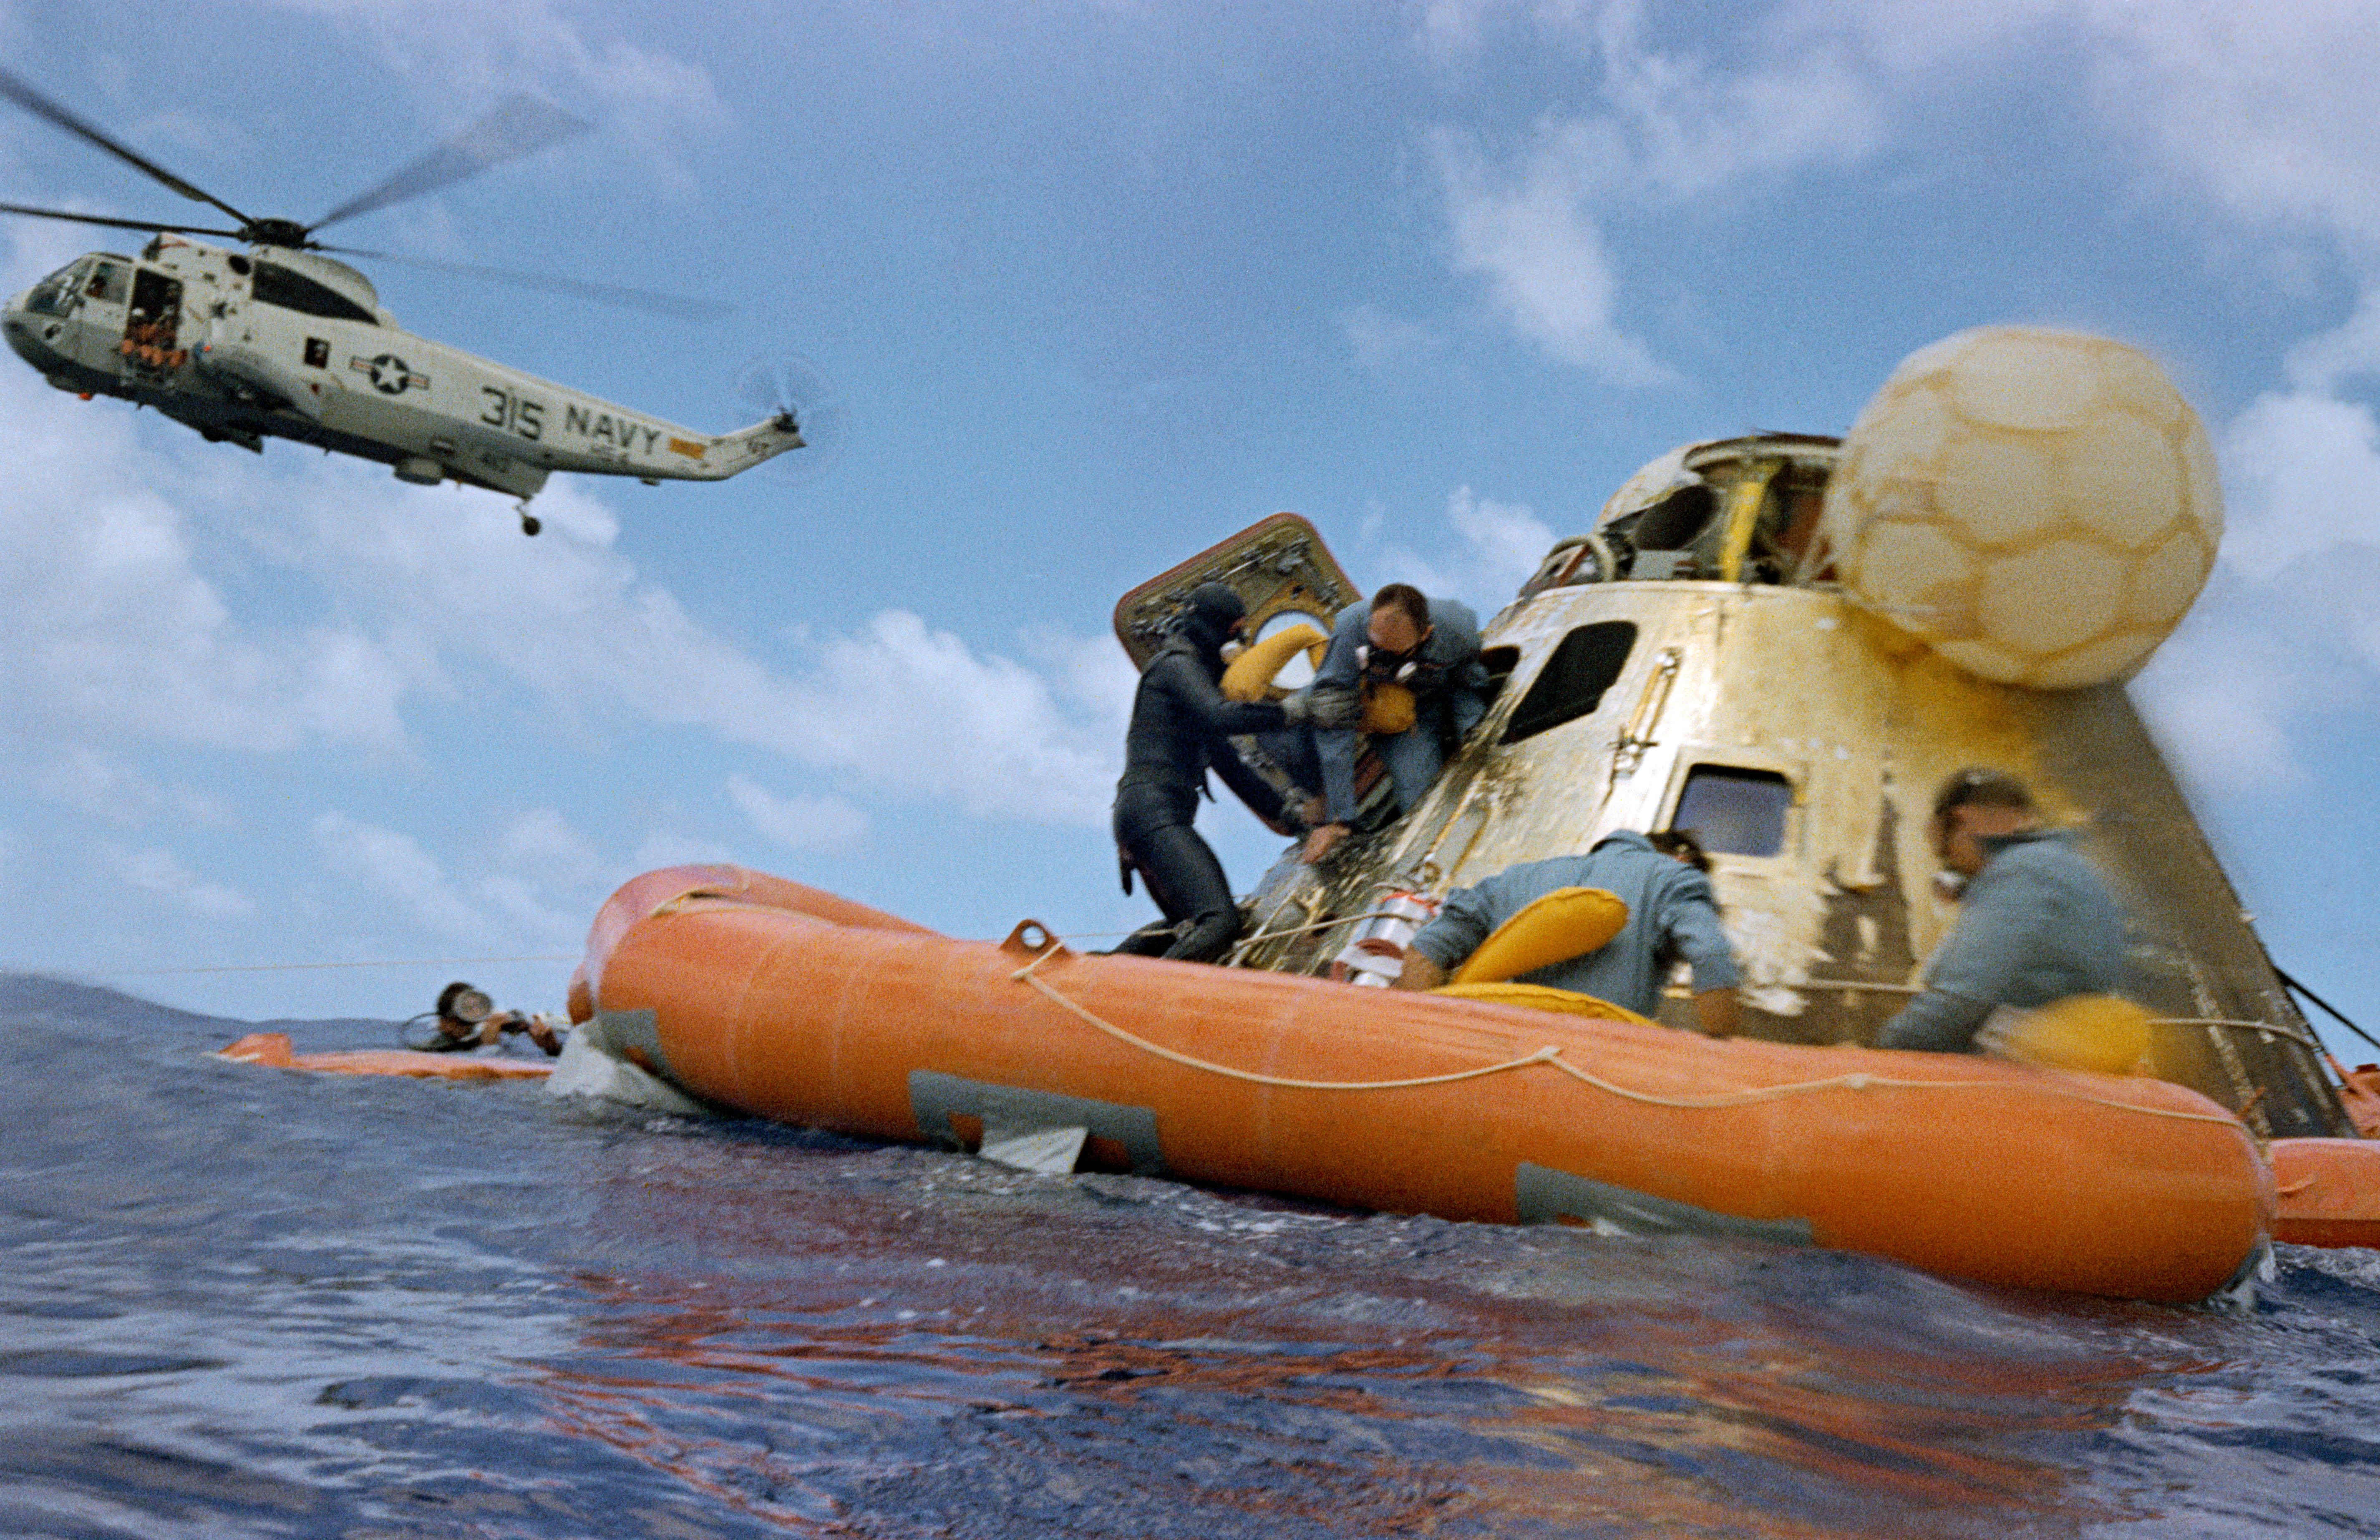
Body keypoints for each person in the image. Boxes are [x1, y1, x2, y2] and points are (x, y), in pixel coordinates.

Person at [1112, 583, 1309, 963]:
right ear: (1214, 629)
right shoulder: (1176, 665)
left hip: (1146, 814)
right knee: (1219, 924)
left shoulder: (1191, 679)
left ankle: (1103, 973)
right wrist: (1294, 712)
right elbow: (1220, 716)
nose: (1238, 641)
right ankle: (1135, 994)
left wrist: (1290, 816)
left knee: (1187, 925)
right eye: (1235, 632)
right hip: (1152, 814)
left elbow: (1231, 767)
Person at [1876, 767, 2130, 1054]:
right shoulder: (2067, 865)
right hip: (2075, 1061)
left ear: (1961, 819)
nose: (1955, 866)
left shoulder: (2022, 871)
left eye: (1949, 855)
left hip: (2031, 1073)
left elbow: (1961, 1000)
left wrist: (1888, 1052)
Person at [1390, 829, 1741, 1036]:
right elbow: (1710, 953)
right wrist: (1717, 1050)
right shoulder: (1673, 877)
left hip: (1493, 1058)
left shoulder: (1517, 878)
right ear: (1681, 859)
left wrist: (1425, 1040)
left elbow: (1427, 949)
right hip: (1593, 1075)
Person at [1297, 583, 1491, 864]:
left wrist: (1474, 738)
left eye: (1394, 650)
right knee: (1420, 807)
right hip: (1371, 700)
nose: (1382, 656)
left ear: (1425, 634)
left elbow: (1468, 682)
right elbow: (1333, 717)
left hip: (1426, 702)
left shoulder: (1457, 629)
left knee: (1436, 786)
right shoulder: (1352, 626)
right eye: (1376, 646)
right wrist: (1339, 817)